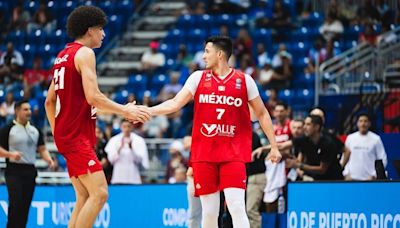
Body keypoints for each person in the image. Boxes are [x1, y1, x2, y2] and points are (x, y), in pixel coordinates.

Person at [148, 36, 281, 228]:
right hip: (205, 155)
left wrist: (274, 147)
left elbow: (262, 113)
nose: (203, 56)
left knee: (236, 207)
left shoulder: (244, 81)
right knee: (209, 213)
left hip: (233, 154)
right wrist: (149, 110)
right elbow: (175, 103)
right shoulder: (197, 78)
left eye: (207, 52)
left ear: (220, 55)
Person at [44, 6, 150, 228]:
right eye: (101, 29)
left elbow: (50, 101)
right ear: (90, 30)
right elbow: (94, 97)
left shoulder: (63, 56)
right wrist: (125, 110)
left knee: (83, 197)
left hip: (67, 135)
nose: (103, 34)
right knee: (100, 193)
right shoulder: (85, 53)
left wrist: (58, 131)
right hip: (75, 137)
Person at [0, 100, 54, 228]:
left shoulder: (35, 130)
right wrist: (11, 155)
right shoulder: (8, 129)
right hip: (13, 171)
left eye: (29, 109)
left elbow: (42, 148)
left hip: (30, 171)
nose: (29, 112)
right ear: (17, 111)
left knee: (25, 206)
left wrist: (49, 159)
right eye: (25, 109)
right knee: (16, 202)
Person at [286, 115, 343, 181]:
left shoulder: (327, 143)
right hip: (315, 179)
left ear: (316, 127)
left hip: (333, 181)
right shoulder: (304, 139)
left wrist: (298, 165)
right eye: (304, 124)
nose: (304, 127)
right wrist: (273, 149)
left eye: (308, 124)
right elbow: (282, 146)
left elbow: (322, 169)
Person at [343, 114, 387, 180]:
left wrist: (374, 175)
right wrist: (346, 173)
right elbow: (344, 158)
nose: (363, 124)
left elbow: (383, 159)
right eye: (360, 121)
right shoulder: (350, 138)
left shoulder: (376, 139)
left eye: (365, 121)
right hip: (351, 180)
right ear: (357, 123)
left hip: (369, 180)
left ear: (369, 124)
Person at [105, 120, 149, 184]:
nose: (126, 129)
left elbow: (139, 160)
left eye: (128, 126)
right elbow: (111, 160)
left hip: (133, 178)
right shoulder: (114, 140)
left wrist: (131, 149)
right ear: (121, 127)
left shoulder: (139, 140)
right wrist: (119, 148)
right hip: (118, 178)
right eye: (124, 126)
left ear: (132, 127)